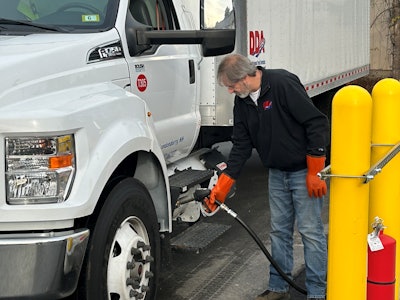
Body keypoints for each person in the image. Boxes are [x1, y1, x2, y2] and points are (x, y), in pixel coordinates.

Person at [203, 54, 329, 300]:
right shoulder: (242, 102)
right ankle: (278, 287)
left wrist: (315, 170)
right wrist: (222, 187)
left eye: (231, 85)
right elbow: (240, 146)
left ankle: (316, 292)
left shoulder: (282, 84)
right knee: (279, 232)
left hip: (303, 171)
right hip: (277, 174)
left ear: (244, 77)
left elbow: (316, 122)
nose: (229, 91)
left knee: (310, 232)